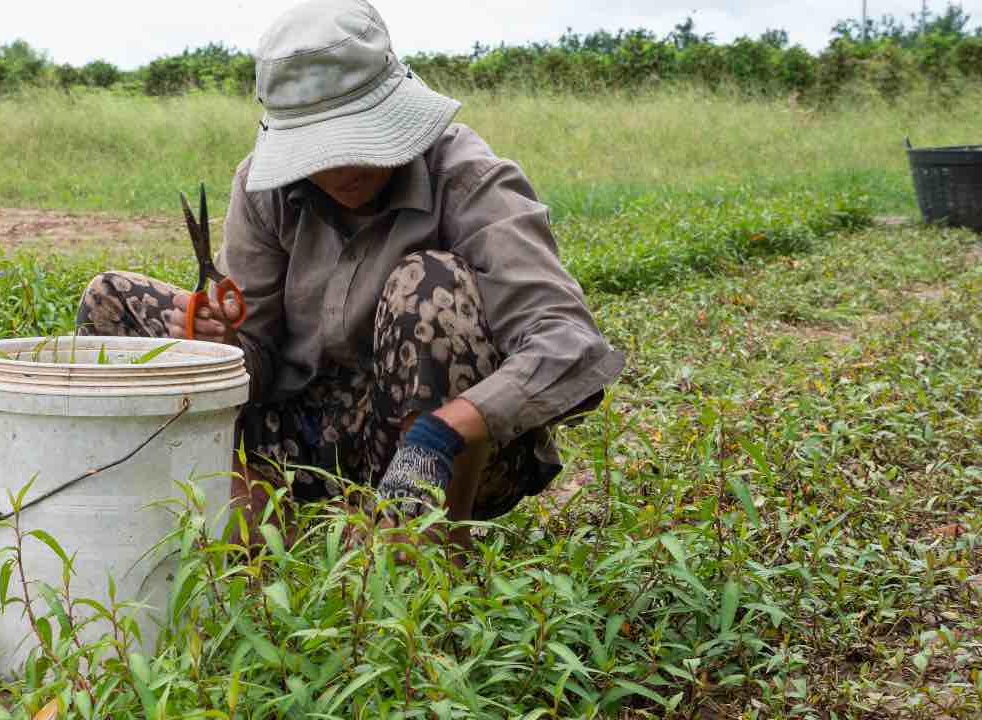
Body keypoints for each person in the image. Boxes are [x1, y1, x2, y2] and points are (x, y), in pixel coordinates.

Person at [75, 0, 624, 546]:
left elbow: (569, 344)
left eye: (361, 137)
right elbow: (260, 363)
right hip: (306, 434)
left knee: (427, 283)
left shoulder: (466, 176)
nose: (342, 167)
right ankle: (241, 502)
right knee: (112, 301)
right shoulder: (265, 191)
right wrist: (224, 345)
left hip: (441, 447)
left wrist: (450, 427)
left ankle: (421, 542)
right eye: (319, 149)